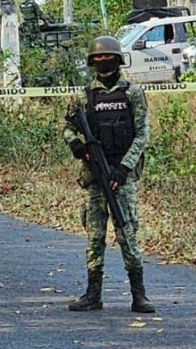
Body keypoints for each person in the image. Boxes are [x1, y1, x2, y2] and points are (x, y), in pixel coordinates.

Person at [64, 36, 155, 314]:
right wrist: (77, 146)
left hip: (121, 176)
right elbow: (67, 129)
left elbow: (142, 135)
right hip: (95, 177)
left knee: (127, 232)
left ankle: (139, 295)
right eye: (99, 58)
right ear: (92, 62)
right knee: (94, 236)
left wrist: (124, 168)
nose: (104, 62)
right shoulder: (82, 96)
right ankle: (93, 295)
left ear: (118, 59)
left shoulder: (132, 93)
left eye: (108, 58)